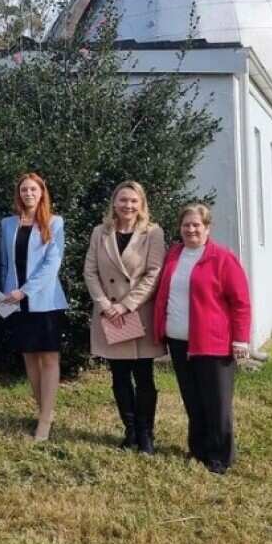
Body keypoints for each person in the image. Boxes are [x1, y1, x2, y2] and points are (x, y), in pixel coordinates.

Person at [152, 204, 251, 474]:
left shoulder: (222, 258)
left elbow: (240, 302)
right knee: (192, 399)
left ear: (207, 228)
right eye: (186, 225)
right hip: (179, 340)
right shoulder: (174, 254)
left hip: (213, 343)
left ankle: (220, 456)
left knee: (216, 402)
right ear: (180, 228)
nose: (191, 229)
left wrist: (240, 339)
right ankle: (198, 450)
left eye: (197, 225)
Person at [83, 181, 166, 454]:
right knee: (119, 376)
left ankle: (146, 435)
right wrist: (105, 304)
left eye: (133, 201)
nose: (128, 206)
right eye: (122, 200)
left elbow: (154, 273)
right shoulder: (100, 232)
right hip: (110, 314)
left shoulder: (152, 233)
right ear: (114, 203)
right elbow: (90, 272)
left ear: (141, 204)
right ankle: (129, 431)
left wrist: (127, 304)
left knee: (144, 377)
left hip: (137, 313)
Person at [0, 173, 67, 441]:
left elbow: (52, 265)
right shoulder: (7, 224)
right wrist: (2, 297)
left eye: (33, 189)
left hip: (44, 300)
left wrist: (23, 292)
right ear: (19, 194)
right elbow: (4, 264)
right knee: (29, 358)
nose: (28, 193)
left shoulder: (54, 222)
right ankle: (43, 411)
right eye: (24, 189)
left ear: (41, 192)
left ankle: (45, 423)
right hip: (14, 301)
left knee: (48, 359)